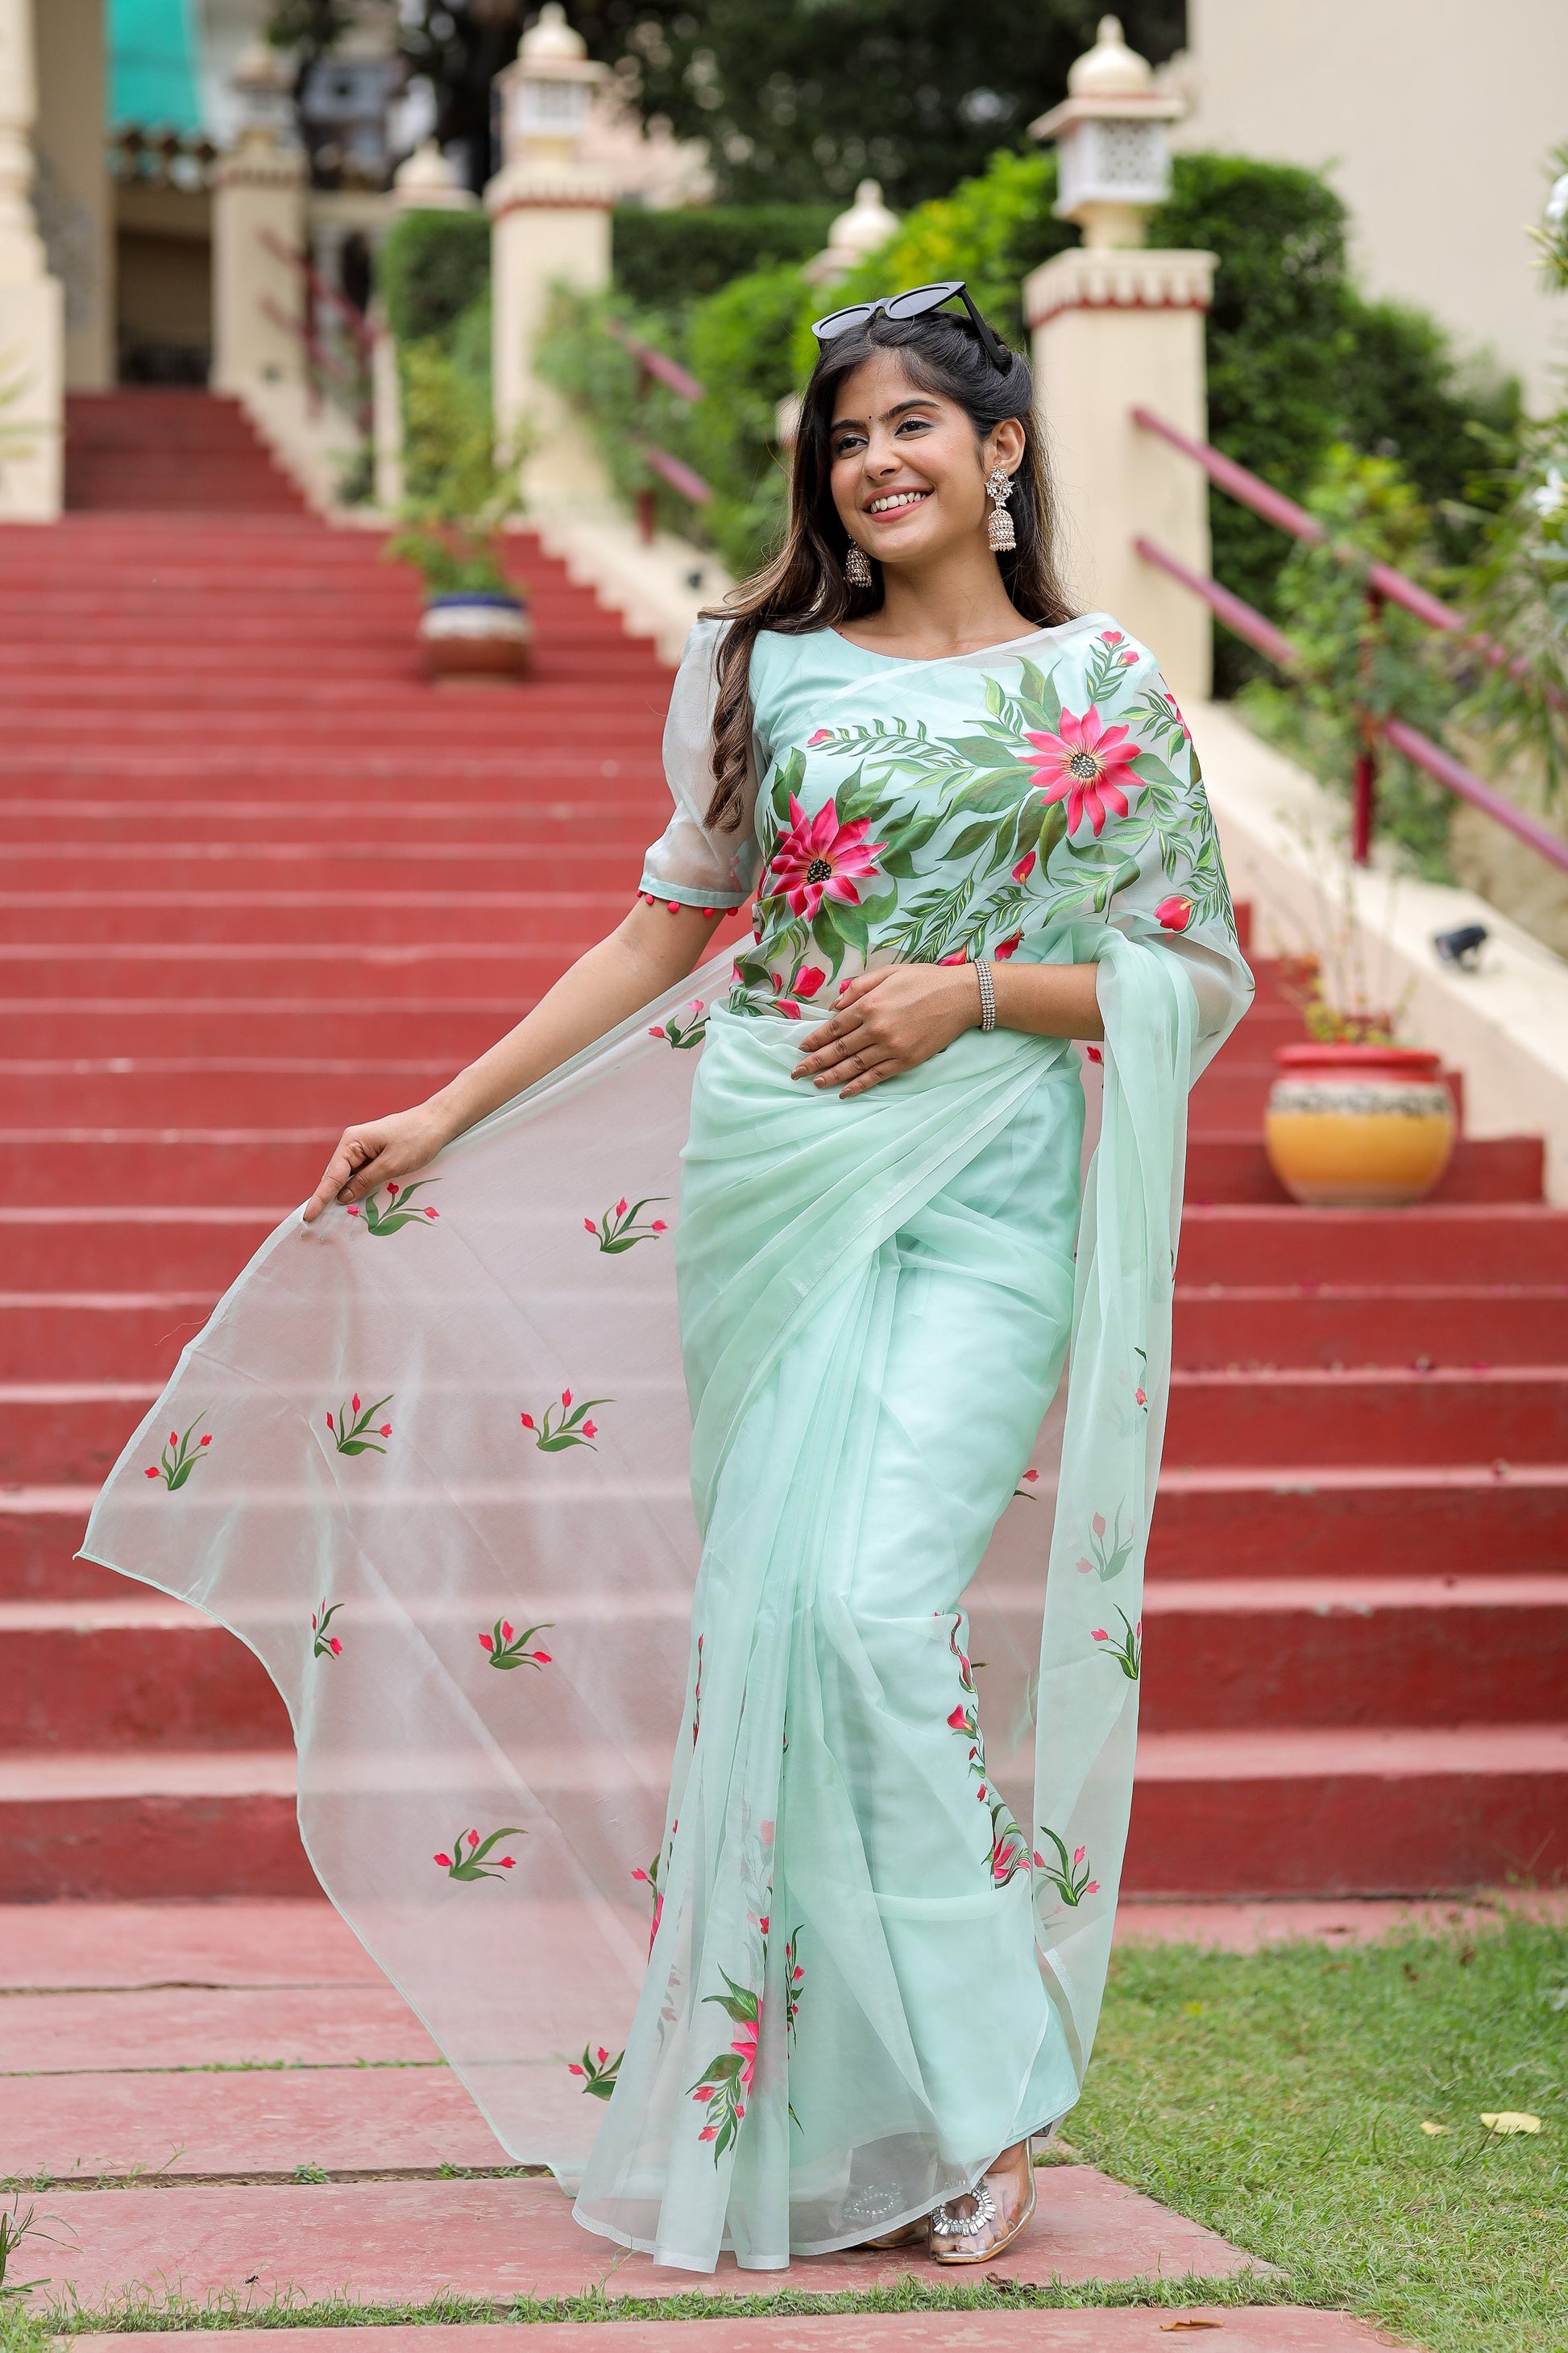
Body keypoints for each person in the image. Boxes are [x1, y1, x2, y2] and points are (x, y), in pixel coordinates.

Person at [85, 281, 1251, 2274]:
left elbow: (1192, 972)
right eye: (843, 436)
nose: (873, 462)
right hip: (773, 1170)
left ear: (1004, 452)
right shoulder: (761, 669)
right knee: (785, 1626)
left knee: (872, 1605)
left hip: (985, 1186)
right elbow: (657, 939)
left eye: (911, 427)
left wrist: (974, 987)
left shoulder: (1107, 684)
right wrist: (442, 1114)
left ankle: (987, 2090)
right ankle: (894, 2107)